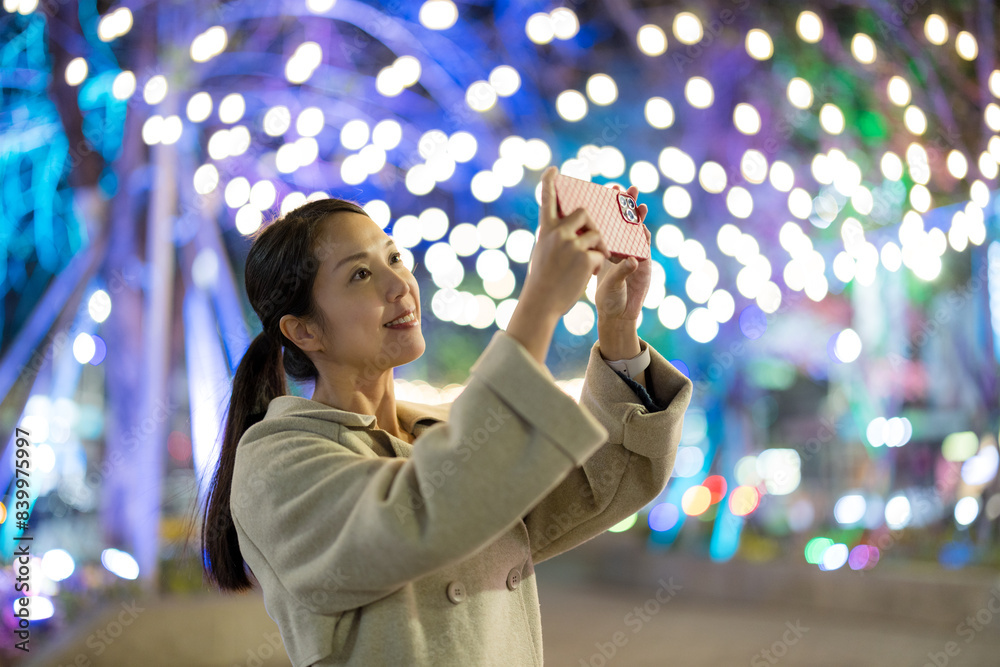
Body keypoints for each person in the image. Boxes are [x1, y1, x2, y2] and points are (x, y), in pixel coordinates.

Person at [200, 165, 693, 666]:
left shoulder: (438, 431)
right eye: (360, 274)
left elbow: (601, 485)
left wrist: (617, 326)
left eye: (394, 257)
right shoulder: (276, 462)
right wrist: (540, 301)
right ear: (304, 332)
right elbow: (430, 511)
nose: (399, 284)